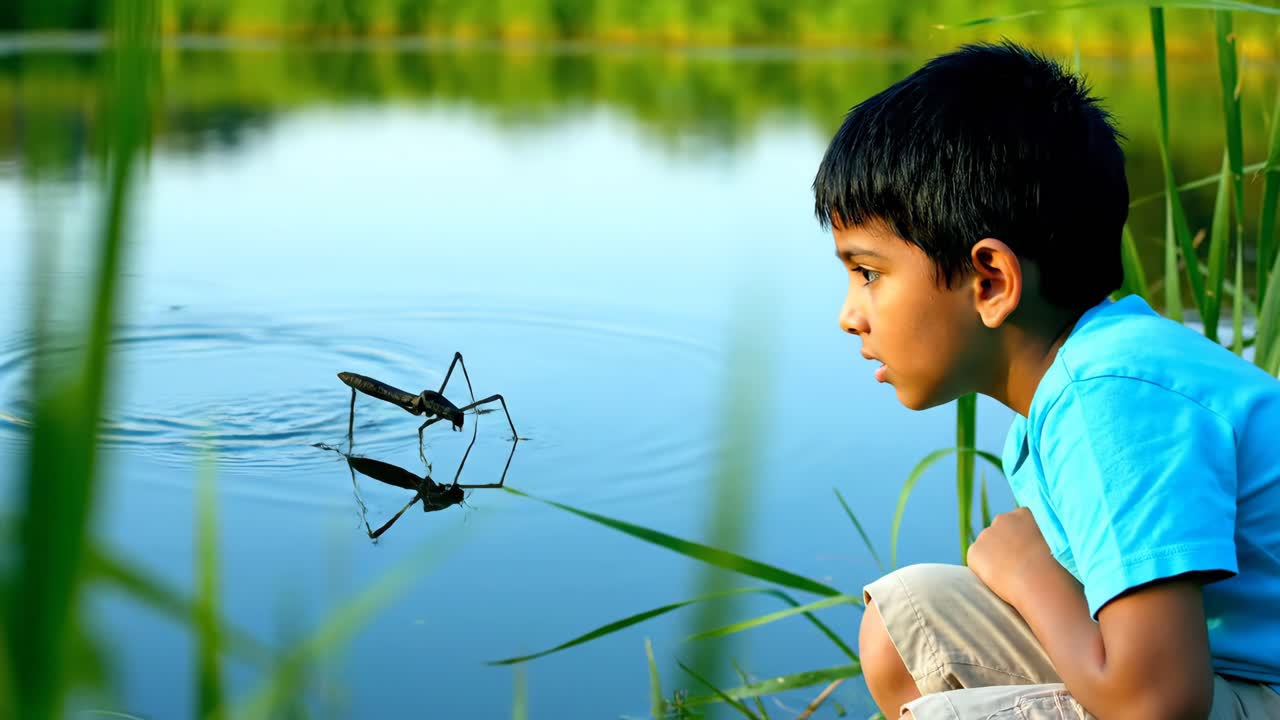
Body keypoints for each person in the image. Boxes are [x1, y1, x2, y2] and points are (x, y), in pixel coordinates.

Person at [811, 41, 1280, 719]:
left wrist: (1033, 577)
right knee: (904, 625)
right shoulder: (1077, 388)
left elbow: (1158, 702)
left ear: (992, 280)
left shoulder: (1111, 401)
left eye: (868, 272)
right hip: (1229, 675)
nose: (849, 315)